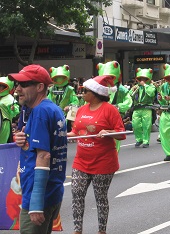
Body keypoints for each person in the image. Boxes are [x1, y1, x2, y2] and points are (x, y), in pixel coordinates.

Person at [8, 64, 67, 234]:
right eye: (16, 84)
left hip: (39, 194)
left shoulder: (41, 112)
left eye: (24, 84)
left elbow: (44, 155)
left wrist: (35, 203)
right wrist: (22, 138)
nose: (18, 89)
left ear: (40, 87)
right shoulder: (49, 109)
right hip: (51, 192)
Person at [67, 75, 126, 234]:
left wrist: (108, 132)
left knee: (100, 198)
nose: (82, 93)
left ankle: (101, 231)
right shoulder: (81, 109)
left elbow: (121, 133)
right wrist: (66, 135)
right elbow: (76, 131)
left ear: (95, 92)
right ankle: (77, 230)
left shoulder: (110, 109)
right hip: (81, 161)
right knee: (76, 193)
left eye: (85, 90)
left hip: (103, 162)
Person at [97, 61, 132, 152]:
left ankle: (112, 163)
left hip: (115, 119)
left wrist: (119, 107)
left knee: (114, 145)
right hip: (99, 119)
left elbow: (129, 101)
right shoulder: (96, 89)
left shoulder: (122, 90)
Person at [129, 68, 156, 148]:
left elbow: (151, 94)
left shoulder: (151, 86)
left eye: (144, 79)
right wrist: (132, 90)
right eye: (140, 79)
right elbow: (129, 96)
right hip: (137, 108)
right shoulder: (136, 87)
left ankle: (146, 141)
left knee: (146, 125)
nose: (142, 80)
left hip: (146, 107)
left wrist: (145, 85)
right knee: (135, 124)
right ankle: (139, 139)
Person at [47, 65, 79, 132]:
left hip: (66, 115)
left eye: (61, 78)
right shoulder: (51, 89)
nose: (59, 80)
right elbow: (48, 100)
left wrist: (69, 106)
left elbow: (75, 101)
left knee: (65, 130)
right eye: (57, 78)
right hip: (54, 114)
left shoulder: (70, 89)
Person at [0, 76, 20, 144]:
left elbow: (15, 112)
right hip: (1, 121)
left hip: (5, 123)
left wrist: (13, 109)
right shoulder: (1, 97)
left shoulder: (9, 98)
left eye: (1, 86)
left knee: (2, 142)